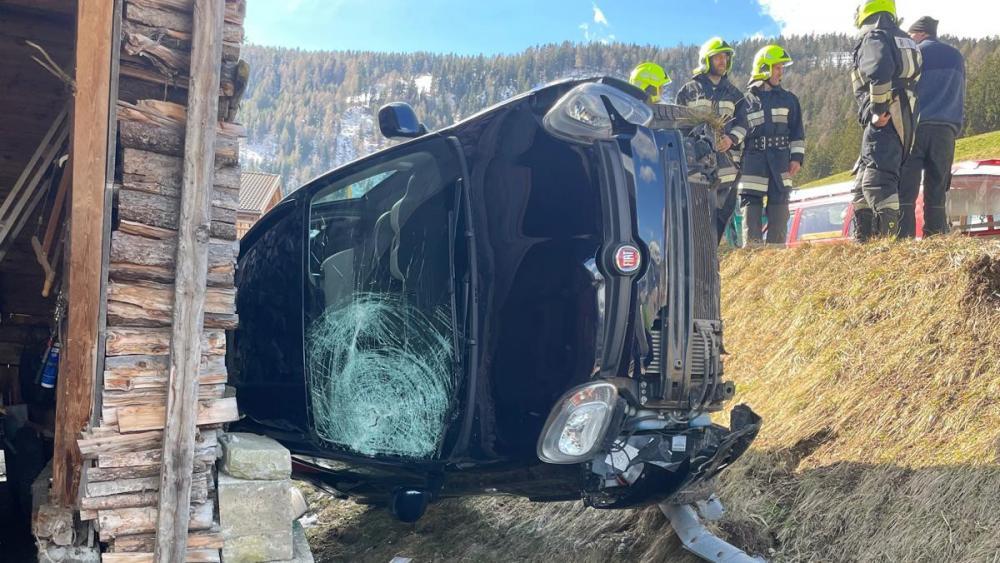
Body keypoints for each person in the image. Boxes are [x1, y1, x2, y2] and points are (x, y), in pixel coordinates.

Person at [849, 0, 922, 241]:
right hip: (904, 115)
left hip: (885, 117)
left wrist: (877, 110)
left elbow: (879, 70)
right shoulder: (906, 39)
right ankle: (865, 241)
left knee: (876, 181)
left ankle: (885, 243)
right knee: (862, 184)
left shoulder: (874, 37)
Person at [898, 16, 965, 237]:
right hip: (946, 130)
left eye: (911, 36)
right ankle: (934, 238)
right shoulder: (956, 56)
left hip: (917, 128)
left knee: (906, 189)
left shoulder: (915, 54)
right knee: (937, 190)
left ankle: (904, 239)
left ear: (920, 33)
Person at [733, 45, 805, 247]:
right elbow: (736, 136)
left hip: (781, 161)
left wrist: (796, 158)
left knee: (780, 205)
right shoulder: (744, 102)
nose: (781, 71)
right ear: (764, 68)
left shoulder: (789, 99)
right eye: (777, 67)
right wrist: (737, 165)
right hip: (753, 161)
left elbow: (797, 132)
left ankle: (775, 255)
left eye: (781, 67)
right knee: (750, 204)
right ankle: (753, 255)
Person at [675, 37, 746, 243]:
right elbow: (679, 126)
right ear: (706, 60)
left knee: (719, 224)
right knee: (698, 224)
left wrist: (731, 139)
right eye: (718, 57)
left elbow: (744, 124)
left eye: (725, 57)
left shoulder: (735, 94)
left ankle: (712, 264)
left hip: (728, 172)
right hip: (698, 170)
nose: (723, 61)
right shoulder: (688, 91)